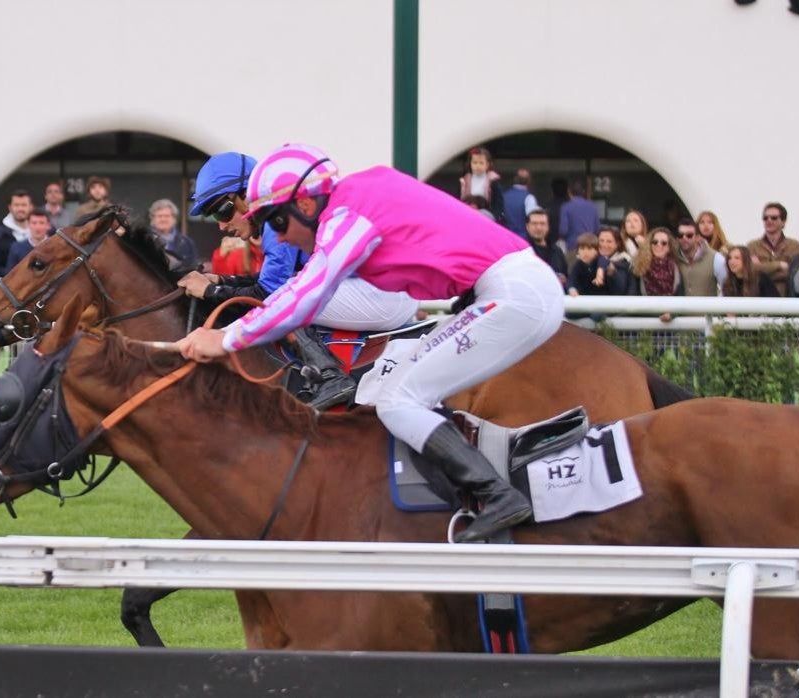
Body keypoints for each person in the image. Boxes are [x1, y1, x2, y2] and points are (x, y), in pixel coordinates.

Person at [177, 143, 565, 543]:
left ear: (306, 207)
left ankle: (496, 494)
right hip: (508, 287)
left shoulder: (345, 217)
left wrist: (226, 338)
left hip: (514, 294)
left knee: (398, 401)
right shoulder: (359, 194)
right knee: (399, 392)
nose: (278, 238)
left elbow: (304, 296)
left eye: (276, 223)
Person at [177, 151, 419, 409]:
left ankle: (329, 376)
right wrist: (224, 281)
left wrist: (211, 291)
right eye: (215, 217)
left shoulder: (275, 222)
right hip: (383, 294)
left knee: (287, 299)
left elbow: (270, 294)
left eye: (222, 212)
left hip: (383, 297)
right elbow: (273, 281)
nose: (222, 226)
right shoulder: (280, 217)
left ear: (247, 195)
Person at [747, 202, 799, 296]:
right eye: (765, 218)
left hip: (786, 298)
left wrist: (762, 267)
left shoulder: (794, 246)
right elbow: (750, 271)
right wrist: (779, 265)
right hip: (759, 299)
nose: (769, 220)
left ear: (783, 222)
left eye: (774, 218)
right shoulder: (752, 246)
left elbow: (794, 273)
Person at [0, 189, 33, 280]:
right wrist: (14, 273)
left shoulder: (44, 232)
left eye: (24, 205)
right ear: (10, 207)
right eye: (16, 205)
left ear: (31, 207)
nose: (20, 209)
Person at [568, 232, 629, 297]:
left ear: (597, 251)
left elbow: (604, 261)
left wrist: (600, 271)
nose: (585, 252)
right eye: (582, 249)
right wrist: (572, 289)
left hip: (604, 299)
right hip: (585, 299)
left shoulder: (599, 260)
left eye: (589, 249)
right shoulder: (578, 264)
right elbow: (572, 279)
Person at [458, 147, 504, 225]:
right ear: (470, 164)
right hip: (467, 216)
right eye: (475, 162)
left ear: (487, 165)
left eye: (481, 163)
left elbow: (498, 204)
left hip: (486, 218)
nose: (477, 166)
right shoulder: (465, 180)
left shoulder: (492, 181)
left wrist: (493, 216)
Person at [632, 227, 683, 296]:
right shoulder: (639, 266)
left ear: (669, 247)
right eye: (655, 242)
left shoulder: (677, 267)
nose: (659, 245)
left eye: (664, 243)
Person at [674, 219, 719, 296]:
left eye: (689, 235)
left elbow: (727, 288)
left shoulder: (715, 258)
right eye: (680, 235)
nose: (684, 238)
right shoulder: (673, 257)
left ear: (698, 237)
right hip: (681, 307)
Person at [148, 199, 198, 268]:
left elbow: (193, 267)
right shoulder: (144, 239)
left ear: (174, 219)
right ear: (152, 219)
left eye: (167, 216)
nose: (163, 219)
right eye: (159, 216)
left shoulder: (187, 243)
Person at [525, 208, 566, 287]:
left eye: (542, 223)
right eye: (534, 223)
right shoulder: (522, 252)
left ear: (548, 226)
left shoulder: (557, 251)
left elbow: (565, 276)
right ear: (527, 226)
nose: (538, 227)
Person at [695, 210, 731, 282]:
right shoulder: (693, 247)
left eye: (710, 222)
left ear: (715, 225)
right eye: (702, 222)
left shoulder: (725, 247)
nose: (706, 225)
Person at [501, 168, 537, 238]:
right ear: (529, 180)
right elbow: (533, 220)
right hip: (523, 239)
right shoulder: (529, 198)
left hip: (506, 237)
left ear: (515, 179)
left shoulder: (503, 196)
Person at [596, 227, 633, 294]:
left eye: (609, 241)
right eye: (601, 240)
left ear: (617, 244)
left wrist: (611, 272)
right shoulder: (591, 259)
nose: (604, 245)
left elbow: (620, 290)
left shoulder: (624, 262)